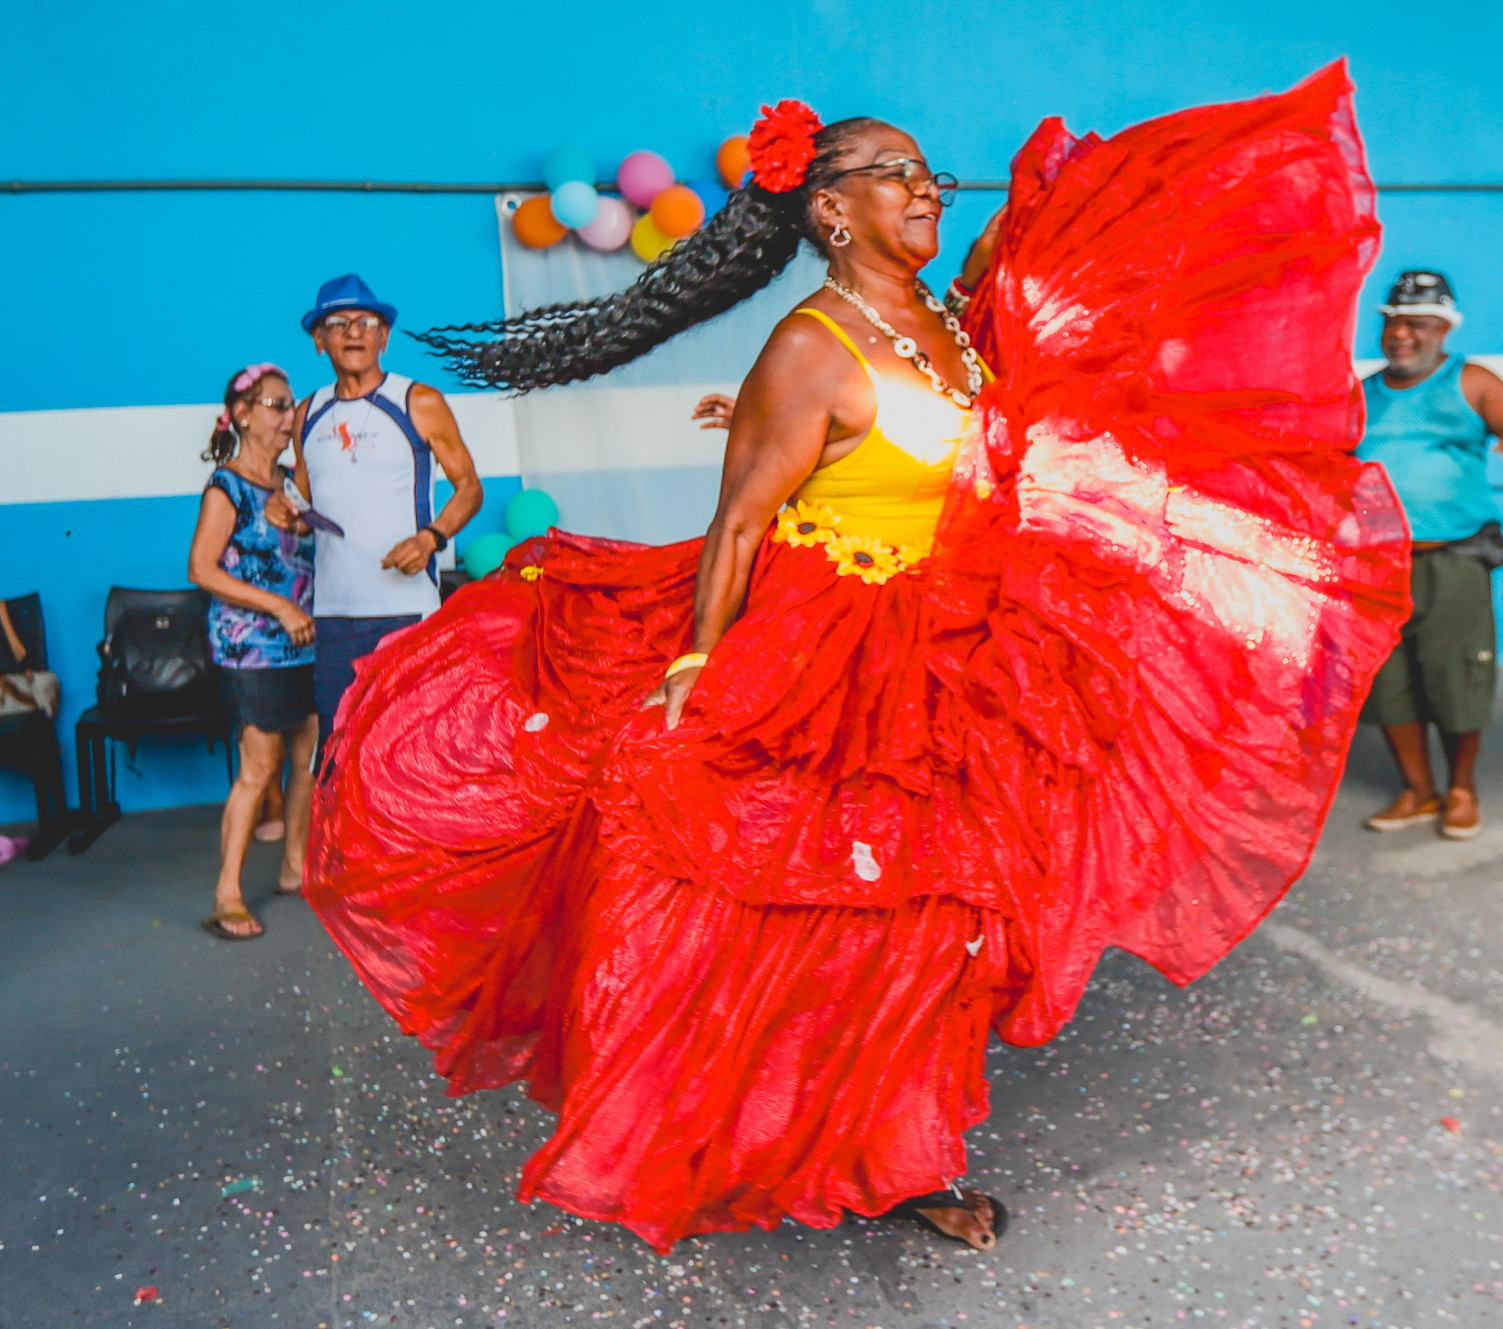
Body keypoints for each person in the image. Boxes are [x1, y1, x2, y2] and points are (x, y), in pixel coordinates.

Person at [307, 68, 1410, 1253]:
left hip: (952, 646)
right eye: (897, 171)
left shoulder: (943, 317)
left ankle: (904, 1147)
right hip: (827, 654)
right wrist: (693, 670)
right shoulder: (812, 346)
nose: (926, 186)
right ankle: (795, 1135)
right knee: (829, 914)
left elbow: (995, 343)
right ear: (832, 211)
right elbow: (737, 523)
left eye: (928, 168)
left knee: (940, 921)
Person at [1355, 271, 1503, 840]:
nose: (1401, 336)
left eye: (1416, 325)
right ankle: (1417, 790)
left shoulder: (1471, 381)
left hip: (1452, 562)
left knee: (1457, 678)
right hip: (1379, 564)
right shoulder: (1363, 395)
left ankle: (1462, 787)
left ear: (1443, 329)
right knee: (1388, 681)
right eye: (1393, 323)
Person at [266, 274, 484, 747]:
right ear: (318, 340)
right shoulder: (308, 413)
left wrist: (431, 538)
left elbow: (469, 488)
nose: (353, 331)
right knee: (341, 749)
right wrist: (288, 514)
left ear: (383, 337)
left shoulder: (418, 402)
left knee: (415, 746)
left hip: (406, 611)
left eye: (367, 322)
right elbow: (304, 503)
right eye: (338, 322)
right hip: (333, 614)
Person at [187, 364, 318, 939]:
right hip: (252, 649)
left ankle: (295, 866)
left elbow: (313, 549)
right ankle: (227, 893)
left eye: (290, 406)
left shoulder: (290, 482)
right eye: (276, 405)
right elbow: (200, 569)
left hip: (304, 643)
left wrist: (303, 521)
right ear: (242, 414)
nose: (288, 416)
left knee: (307, 760)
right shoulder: (228, 486)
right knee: (258, 768)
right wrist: (280, 607)